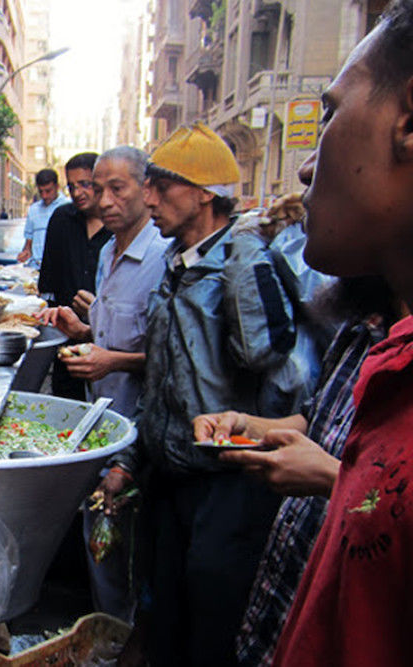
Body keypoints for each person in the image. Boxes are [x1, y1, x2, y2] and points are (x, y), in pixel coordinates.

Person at [219, 3, 413, 664]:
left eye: (329, 115)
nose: (304, 168)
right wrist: (279, 431)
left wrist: (341, 480)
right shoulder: (369, 328)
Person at [101, 123, 298, 667]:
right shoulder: (177, 264)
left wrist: (243, 252)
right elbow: (163, 379)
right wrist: (130, 460)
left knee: (213, 628)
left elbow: (266, 357)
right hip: (172, 478)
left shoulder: (244, 261)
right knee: (164, 614)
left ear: (205, 194)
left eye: (162, 186)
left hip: (227, 484)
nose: (149, 199)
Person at [192, 277, 402, 666]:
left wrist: (332, 479)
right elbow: (320, 419)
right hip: (285, 603)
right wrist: (248, 426)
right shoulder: (360, 328)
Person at [39, 146, 167, 623]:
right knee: (104, 552)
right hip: (104, 425)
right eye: (98, 189)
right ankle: (103, 633)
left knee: (133, 560)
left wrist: (112, 360)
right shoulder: (108, 253)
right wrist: (83, 332)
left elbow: (172, 361)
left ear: (146, 189)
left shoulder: (162, 257)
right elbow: (110, 334)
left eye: (118, 188)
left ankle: (126, 638)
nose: (104, 200)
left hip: (142, 435)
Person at [38, 152, 112, 401]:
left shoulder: (118, 227)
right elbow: (48, 277)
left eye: (85, 184)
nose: (78, 192)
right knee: (67, 403)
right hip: (66, 338)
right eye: (72, 187)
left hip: (107, 341)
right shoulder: (61, 219)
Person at [18, 168, 69, 267]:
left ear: (57, 187)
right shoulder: (33, 210)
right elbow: (28, 244)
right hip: (35, 268)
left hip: (60, 267)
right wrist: (25, 253)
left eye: (48, 191)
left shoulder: (68, 207)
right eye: (41, 192)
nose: (44, 196)